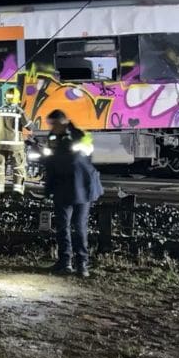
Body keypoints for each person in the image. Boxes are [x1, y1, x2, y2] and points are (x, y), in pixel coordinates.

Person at [42, 109, 103, 278]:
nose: (51, 127)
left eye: (53, 124)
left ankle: (82, 264)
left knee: (79, 227)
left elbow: (78, 158)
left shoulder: (80, 135)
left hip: (81, 188)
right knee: (63, 226)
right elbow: (51, 162)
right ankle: (65, 262)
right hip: (64, 188)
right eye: (50, 124)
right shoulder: (53, 137)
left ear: (62, 122)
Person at [0, 88, 32, 195]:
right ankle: (17, 191)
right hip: (16, 145)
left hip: (0, 144)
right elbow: (29, 127)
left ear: (5, 98)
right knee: (19, 167)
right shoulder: (19, 111)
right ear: (17, 99)